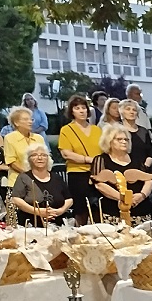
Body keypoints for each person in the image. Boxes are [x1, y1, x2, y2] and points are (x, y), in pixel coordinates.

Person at [91, 124, 152, 220]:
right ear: (109, 141)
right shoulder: (101, 160)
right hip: (113, 212)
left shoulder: (136, 159)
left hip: (141, 210)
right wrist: (124, 198)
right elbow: (99, 185)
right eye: (119, 139)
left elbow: (148, 179)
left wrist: (142, 195)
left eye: (126, 139)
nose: (124, 142)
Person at [58, 94, 103, 225]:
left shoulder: (97, 130)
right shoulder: (66, 130)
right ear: (71, 111)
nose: (82, 111)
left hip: (98, 173)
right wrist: (89, 160)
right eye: (77, 108)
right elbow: (66, 154)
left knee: (98, 209)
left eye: (83, 107)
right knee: (81, 209)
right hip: (77, 174)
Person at [9, 143, 72, 226]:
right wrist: (38, 212)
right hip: (31, 225)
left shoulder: (57, 177)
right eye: (34, 155)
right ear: (28, 159)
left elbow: (69, 199)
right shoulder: (23, 177)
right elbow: (16, 199)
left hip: (58, 224)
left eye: (43, 155)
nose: (40, 158)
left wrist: (60, 211)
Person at [2, 107, 46, 192]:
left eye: (31, 119)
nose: (30, 122)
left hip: (40, 180)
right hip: (17, 182)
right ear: (16, 123)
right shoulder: (9, 138)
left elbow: (46, 157)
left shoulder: (39, 138)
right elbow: (11, 162)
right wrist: (31, 175)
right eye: (26, 119)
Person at [119, 99, 152, 172]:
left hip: (143, 170)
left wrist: (145, 167)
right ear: (122, 112)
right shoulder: (117, 131)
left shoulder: (143, 131)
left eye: (134, 110)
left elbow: (150, 154)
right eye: (128, 109)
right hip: (122, 169)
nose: (131, 112)